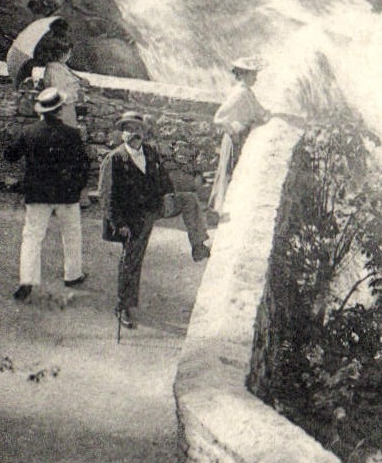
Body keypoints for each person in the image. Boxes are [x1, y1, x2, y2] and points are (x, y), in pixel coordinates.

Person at [98, 111, 211, 329]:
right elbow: (106, 196)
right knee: (131, 260)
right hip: (133, 217)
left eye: (138, 129)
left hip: (155, 206)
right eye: (129, 129)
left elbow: (164, 177)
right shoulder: (115, 159)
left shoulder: (150, 152)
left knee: (189, 199)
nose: (134, 134)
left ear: (144, 132)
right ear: (122, 133)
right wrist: (119, 224)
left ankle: (198, 245)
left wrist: (167, 193)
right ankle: (123, 306)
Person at [4, 86, 91, 301]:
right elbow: (84, 165)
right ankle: (73, 274)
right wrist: (77, 187)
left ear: (41, 111)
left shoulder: (29, 132)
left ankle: (27, 280)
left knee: (32, 236)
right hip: (66, 194)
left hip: (37, 193)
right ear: (59, 110)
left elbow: (10, 155)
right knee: (71, 234)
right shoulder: (72, 134)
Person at [208, 57, 270, 219]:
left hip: (240, 137)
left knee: (228, 173)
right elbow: (219, 118)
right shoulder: (239, 94)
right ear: (244, 75)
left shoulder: (247, 92)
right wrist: (233, 132)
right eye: (253, 74)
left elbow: (260, 113)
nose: (256, 78)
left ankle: (217, 210)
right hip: (233, 138)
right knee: (226, 173)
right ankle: (218, 211)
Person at [39, 33, 88, 133]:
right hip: (62, 111)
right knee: (64, 135)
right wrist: (78, 87)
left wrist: (79, 82)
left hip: (67, 109)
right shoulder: (55, 70)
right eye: (69, 53)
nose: (70, 55)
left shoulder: (62, 67)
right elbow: (60, 95)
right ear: (62, 54)